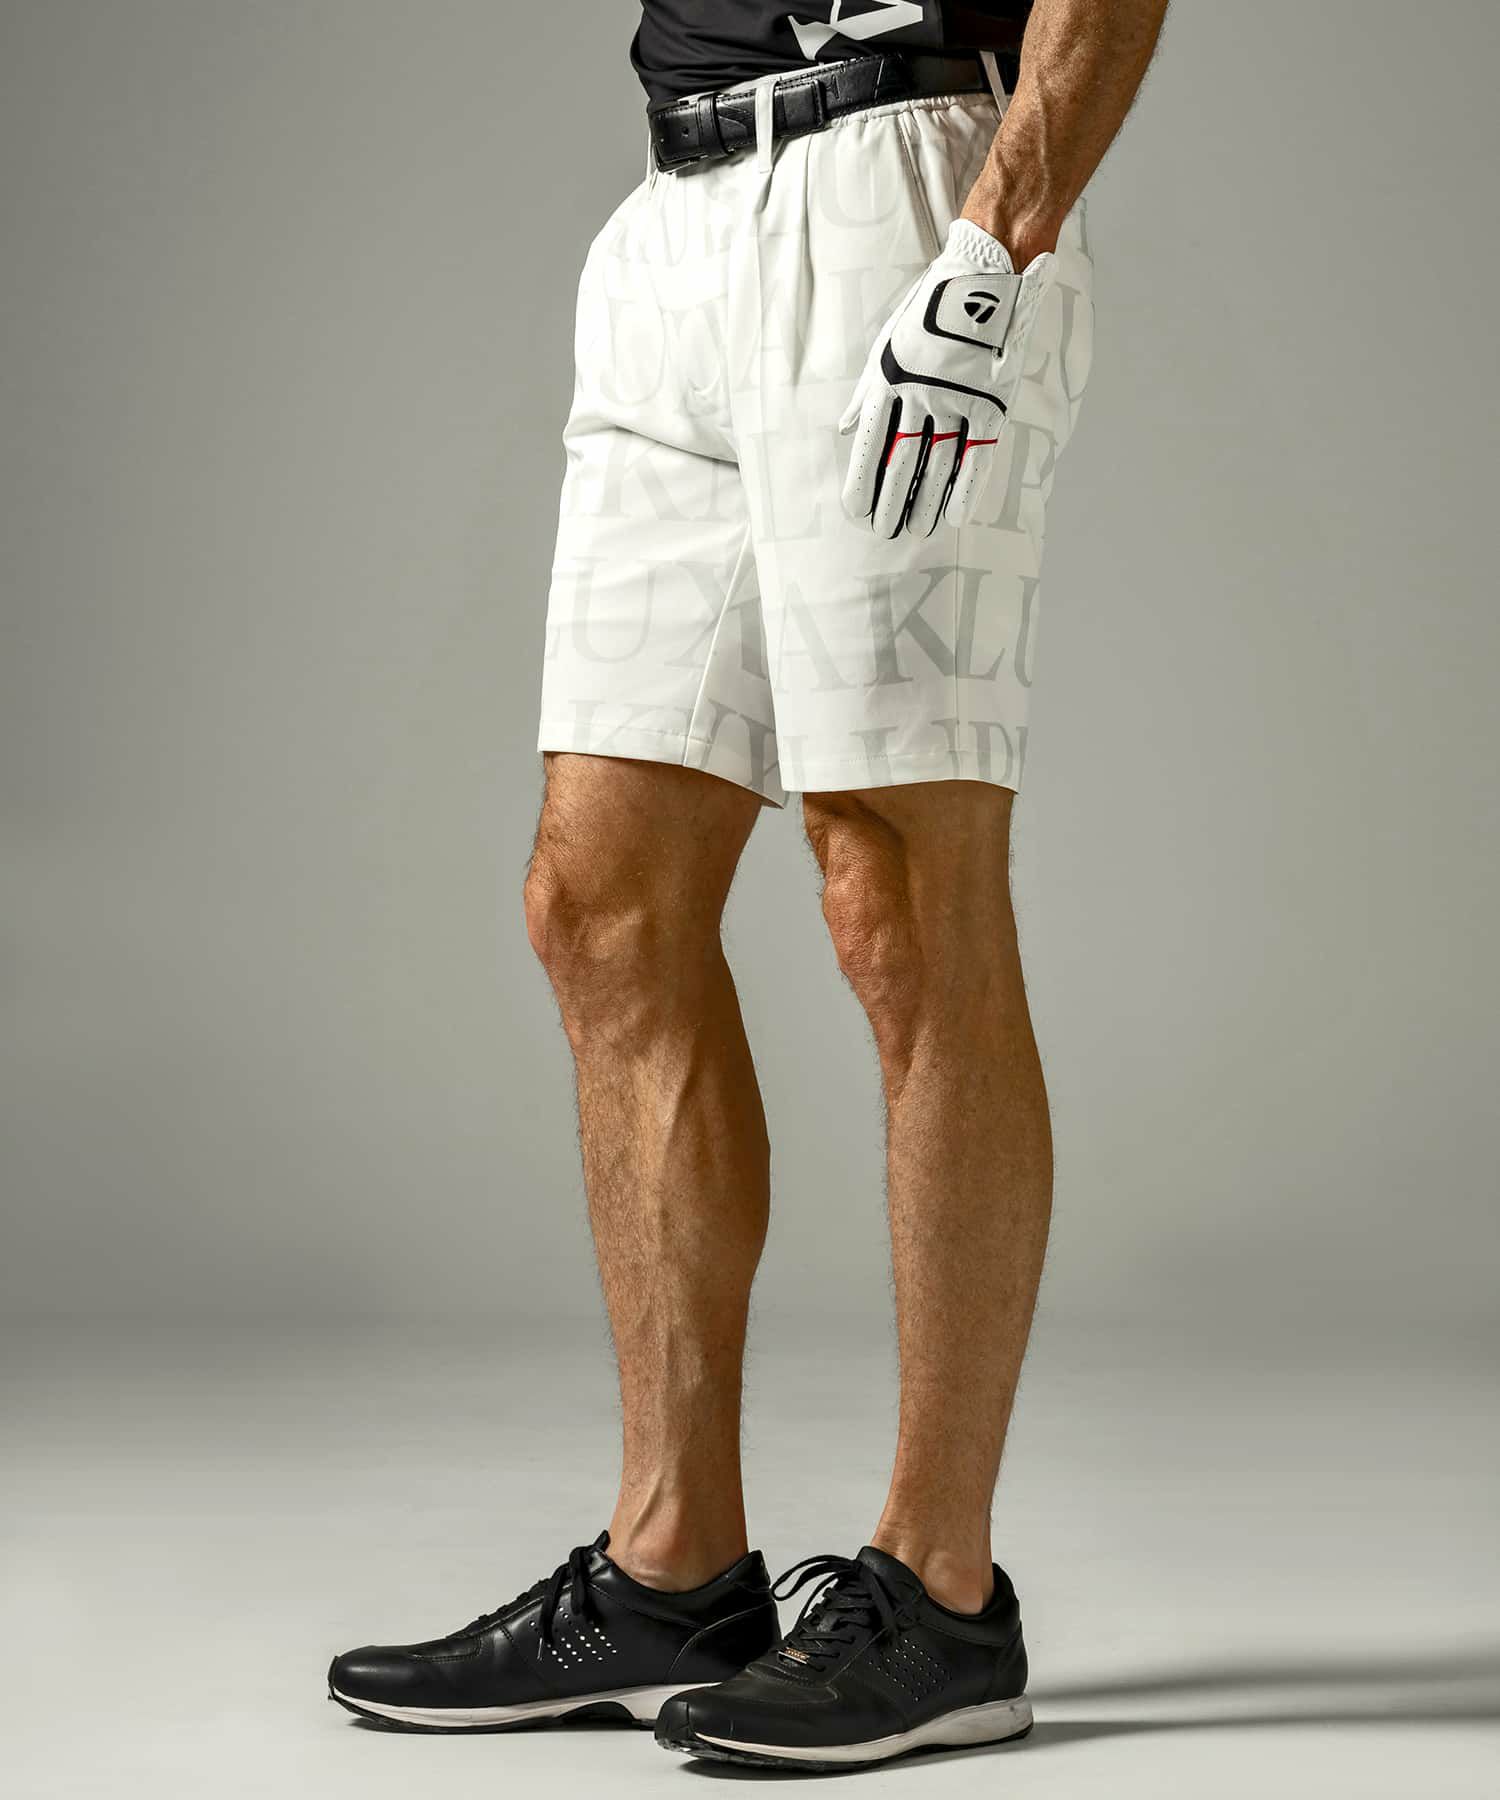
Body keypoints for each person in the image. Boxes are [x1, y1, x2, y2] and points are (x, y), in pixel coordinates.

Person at [329, 0, 1168, 1770]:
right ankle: (671, 1572)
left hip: (903, 192)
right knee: (597, 897)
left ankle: (941, 1599)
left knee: (894, 886)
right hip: (677, 213)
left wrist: (996, 247)